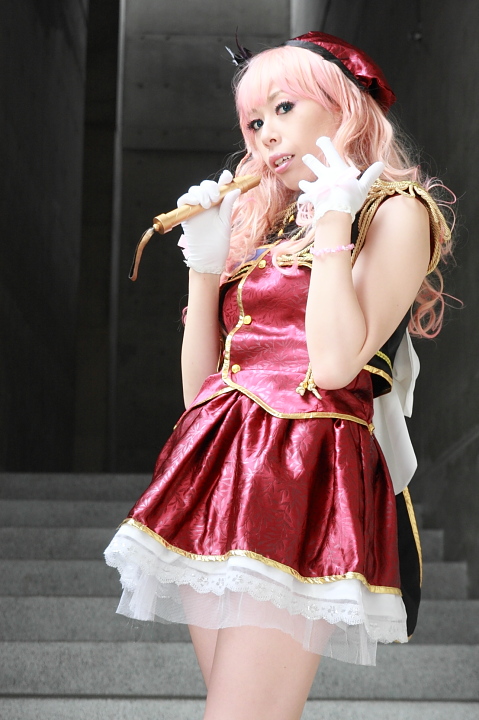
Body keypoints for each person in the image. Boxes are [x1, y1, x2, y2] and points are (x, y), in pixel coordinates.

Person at [105, 32, 453, 720]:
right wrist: (206, 267)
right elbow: (200, 395)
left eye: (283, 108)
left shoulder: (394, 210)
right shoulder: (267, 225)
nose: (265, 134)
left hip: (301, 469)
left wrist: (333, 223)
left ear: (342, 105)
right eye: (252, 122)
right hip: (214, 467)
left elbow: (334, 365)